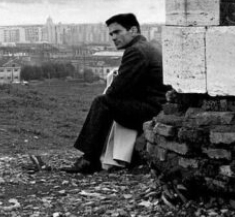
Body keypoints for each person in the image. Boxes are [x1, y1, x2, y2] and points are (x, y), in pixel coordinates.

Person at [63, 13, 168, 174]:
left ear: (133, 30)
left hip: (151, 110)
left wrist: (115, 83)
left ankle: (89, 159)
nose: (113, 37)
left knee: (102, 102)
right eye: (111, 34)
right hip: (158, 106)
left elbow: (117, 89)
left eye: (117, 32)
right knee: (108, 102)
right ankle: (108, 156)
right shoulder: (148, 47)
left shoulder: (136, 51)